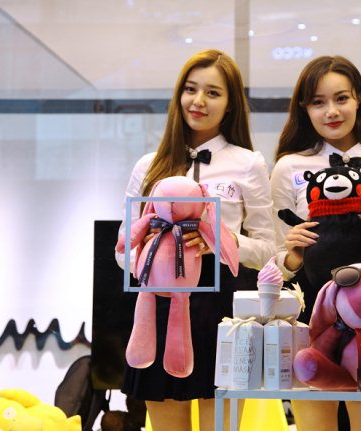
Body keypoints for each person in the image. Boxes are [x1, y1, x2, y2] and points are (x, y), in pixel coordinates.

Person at [115, 49, 275, 431]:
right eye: (191, 89)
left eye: (213, 92)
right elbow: (122, 249)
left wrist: (221, 241)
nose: (198, 101)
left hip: (224, 312)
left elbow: (268, 249)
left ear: (230, 104)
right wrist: (151, 253)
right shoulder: (148, 164)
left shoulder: (248, 162)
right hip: (160, 308)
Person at [270, 55, 361, 431]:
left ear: (359, 100)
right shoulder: (288, 168)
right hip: (309, 319)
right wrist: (291, 256)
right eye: (318, 102)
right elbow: (272, 262)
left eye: (341, 98)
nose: (331, 111)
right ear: (304, 108)